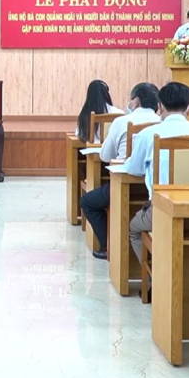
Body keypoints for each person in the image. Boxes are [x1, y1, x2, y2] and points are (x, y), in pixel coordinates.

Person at [123, 82, 189, 260]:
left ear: (160, 107)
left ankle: (154, 274)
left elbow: (133, 169)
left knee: (134, 228)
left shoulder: (148, 134)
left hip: (163, 210)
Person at [80, 82, 161, 259]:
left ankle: (108, 246)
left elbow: (105, 155)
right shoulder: (161, 123)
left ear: (136, 101)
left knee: (87, 202)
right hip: (156, 189)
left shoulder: (122, 121)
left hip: (125, 185)